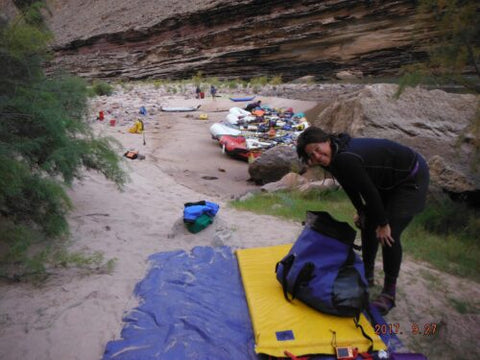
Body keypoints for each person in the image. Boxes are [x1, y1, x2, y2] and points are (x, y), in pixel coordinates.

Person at [296, 126, 429, 315]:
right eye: (312, 154)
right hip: (387, 180)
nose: (317, 156)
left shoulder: (345, 157)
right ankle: (367, 276)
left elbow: (369, 192)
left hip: (410, 178)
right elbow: (350, 185)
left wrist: (383, 224)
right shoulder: (333, 156)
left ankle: (389, 294)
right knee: (367, 225)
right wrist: (362, 211)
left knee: (389, 235)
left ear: (326, 140)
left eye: (318, 149)